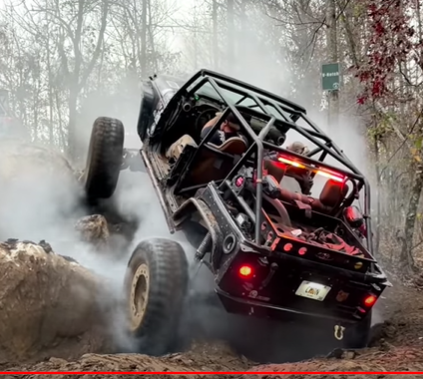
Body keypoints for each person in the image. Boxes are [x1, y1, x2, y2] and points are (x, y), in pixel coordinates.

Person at [166, 109, 251, 162]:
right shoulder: (242, 142)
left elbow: (203, 132)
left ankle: (167, 157)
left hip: (198, 165)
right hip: (217, 172)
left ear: (225, 122)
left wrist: (218, 117)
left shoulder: (215, 135)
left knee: (186, 138)